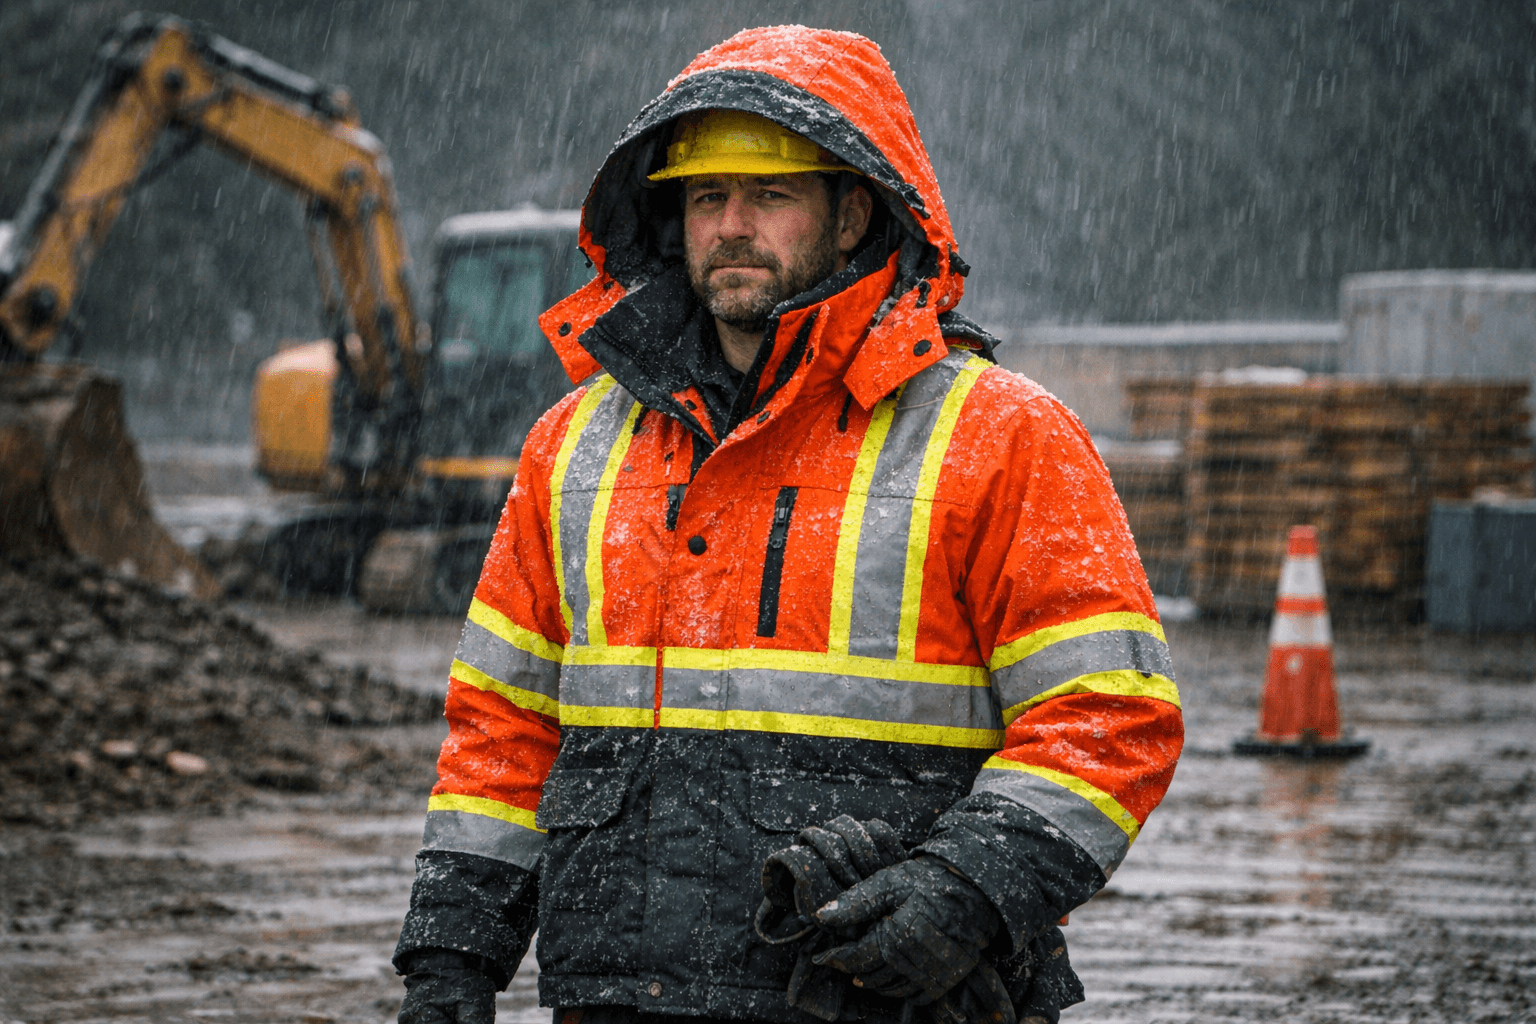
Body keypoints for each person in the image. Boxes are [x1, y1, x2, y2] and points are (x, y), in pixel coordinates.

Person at [393, 25, 1183, 1024]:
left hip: (883, 995)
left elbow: (1108, 711)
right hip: (620, 999)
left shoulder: (998, 434)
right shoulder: (572, 446)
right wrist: (452, 959)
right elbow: (501, 732)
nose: (731, 224)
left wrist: (968, 888)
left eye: (770, 195)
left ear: (853, 213)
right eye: (706, 195)